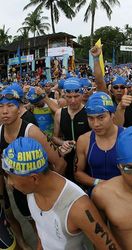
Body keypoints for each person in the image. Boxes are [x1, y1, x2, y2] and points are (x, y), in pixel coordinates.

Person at [2, 137, 121, 250]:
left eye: (11, 177)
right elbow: (42, 227)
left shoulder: (77, 206)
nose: (10, 183)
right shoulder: (32, 189)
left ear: (34, 178)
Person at [0, 85, 66, 249]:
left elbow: (60, 163)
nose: (4, 111)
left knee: (51, 233)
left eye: (10, 106)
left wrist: (49, 193)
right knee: (36, 229)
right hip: (19, 193)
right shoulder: (0, 132)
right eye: (1, 106)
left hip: (39, 192)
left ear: (19, 108)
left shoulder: (32, 132)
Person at [74, 92, 123, 193]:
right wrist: (99, 182)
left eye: (101, 117)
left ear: (112, 115)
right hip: (96, 195)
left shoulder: (126, 138)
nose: (95, 124)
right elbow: (78, 173)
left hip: (122, 195)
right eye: (91, 118)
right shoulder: (84, 140)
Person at [53, 78, 91, 181]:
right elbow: (55, 137)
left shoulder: (89, 113)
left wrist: (81, 145)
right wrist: (63, 143)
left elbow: (97, 137)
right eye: (69, 97)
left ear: (82, 95)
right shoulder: (59, 113)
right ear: (64, 95)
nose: (73, 100)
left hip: (86, 158)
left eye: (76, 96)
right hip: (67, 157)